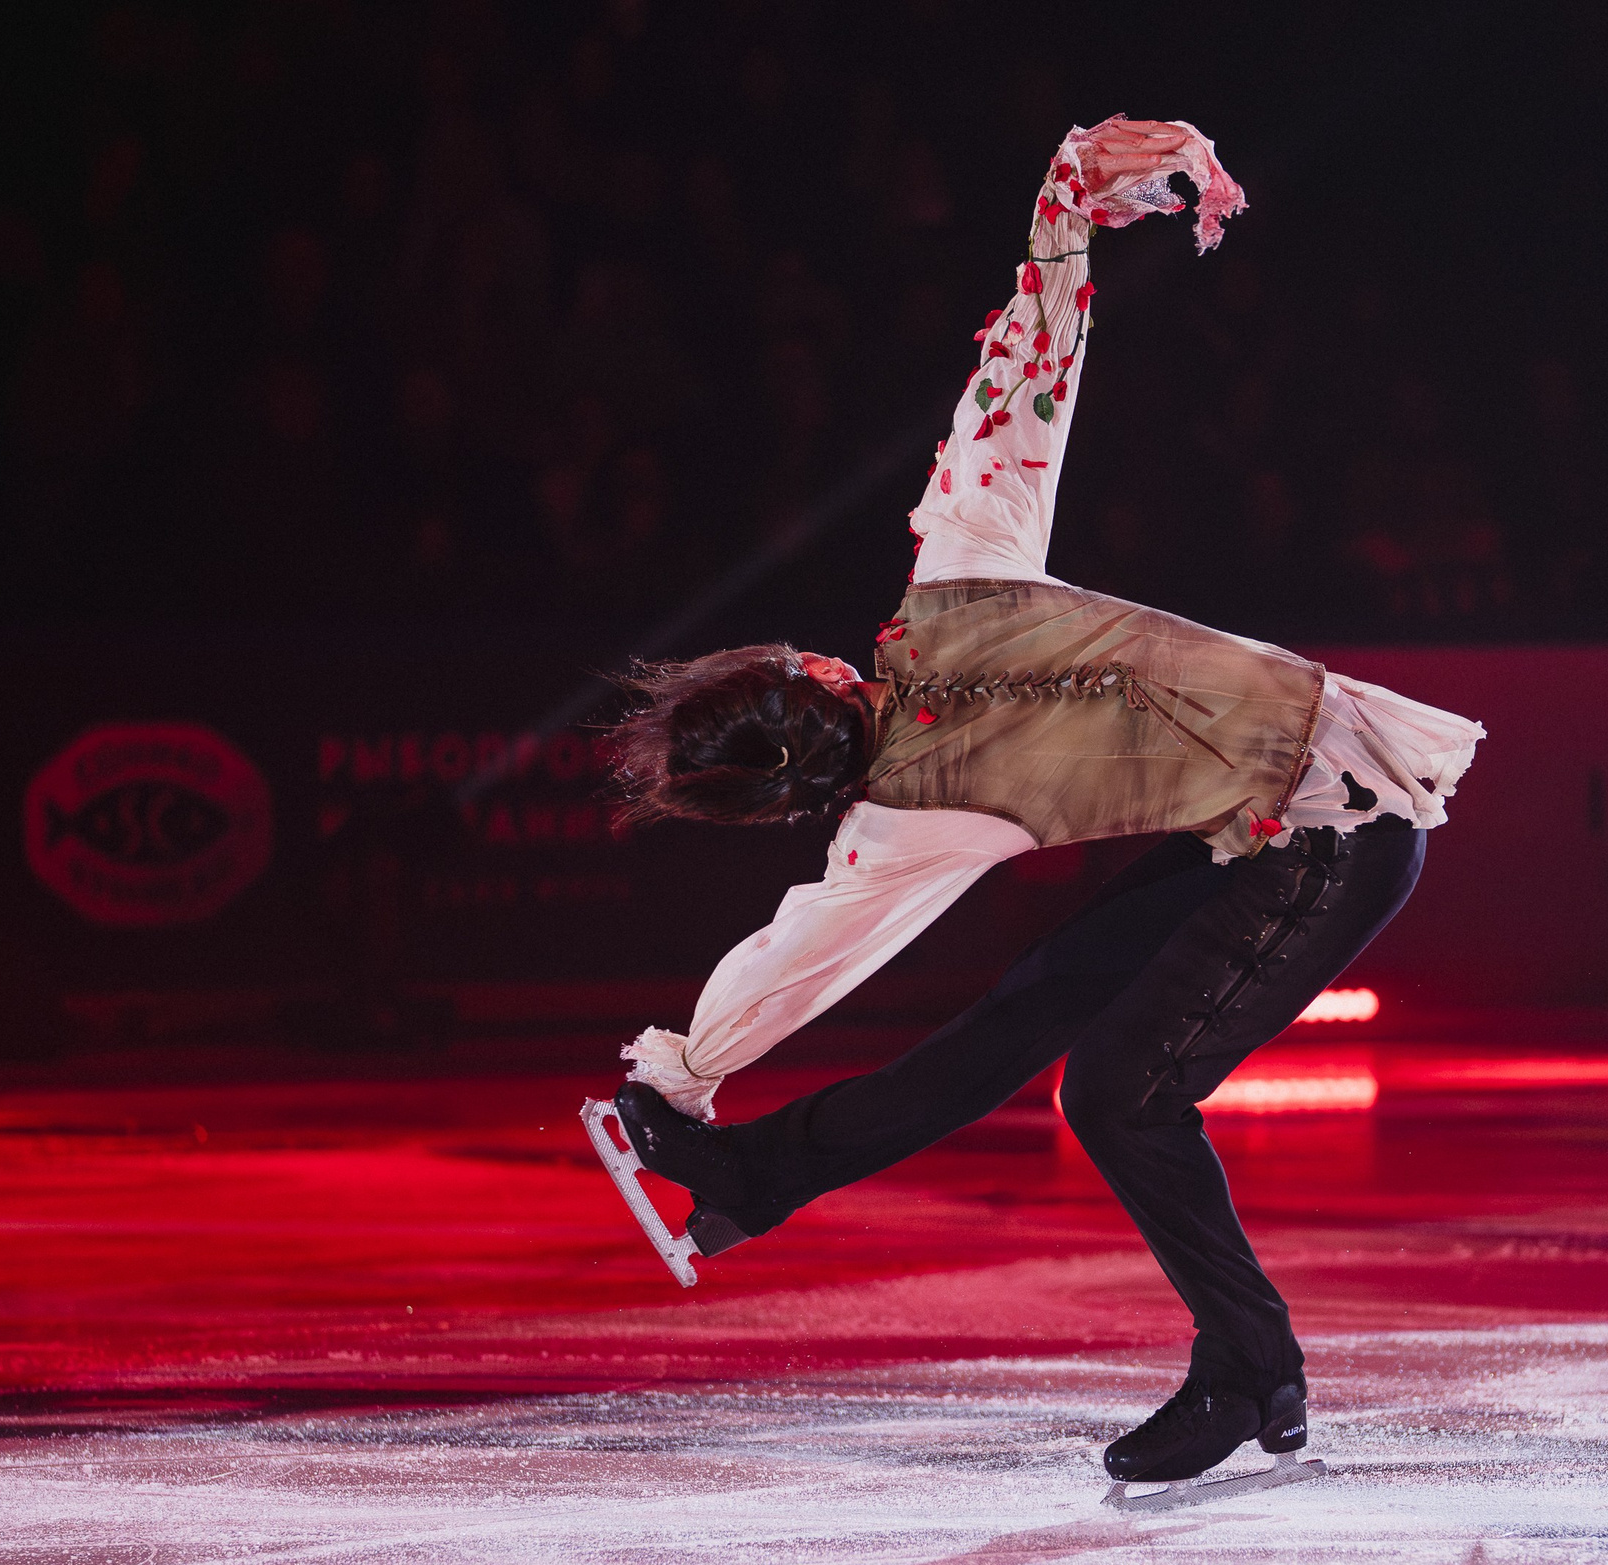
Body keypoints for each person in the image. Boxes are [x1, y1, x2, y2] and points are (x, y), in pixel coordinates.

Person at [599, 117, 1484, 1488]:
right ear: (814, 669)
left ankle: (1253, 1368)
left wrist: (682, 1068)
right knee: (1033, 1018)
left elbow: (801, 952)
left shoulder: (898, 816)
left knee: (1118, 1091)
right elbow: (1026, 379)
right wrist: (1065, 208)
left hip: (1335, 835)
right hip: (1295, 823)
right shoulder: (956, 574)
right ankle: (753, 1179)